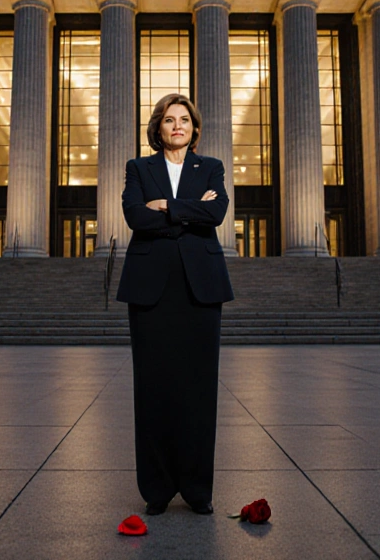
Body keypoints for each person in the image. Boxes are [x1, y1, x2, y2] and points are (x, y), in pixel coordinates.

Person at [116, 92, 234, 516]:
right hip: (151, 288)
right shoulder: (139, 168)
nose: (178, 126)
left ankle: (198, 489)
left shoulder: (212, 168)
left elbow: (217, 212)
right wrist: (188, 212)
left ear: (194, 128)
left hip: (200, 287)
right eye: (169, 120)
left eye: (184, 119)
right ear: (158, 128)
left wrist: (165, 207)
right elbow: (135, 216)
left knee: (199, 390)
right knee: (152, 390)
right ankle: (158, 489)